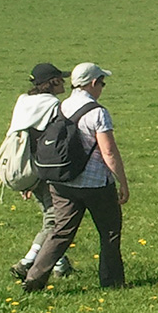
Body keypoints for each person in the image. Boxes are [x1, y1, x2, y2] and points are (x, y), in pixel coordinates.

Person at [23, 62, 129, 292]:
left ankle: (34, 278)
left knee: (60, 232)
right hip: (95, 184)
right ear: (92, 83)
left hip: (61, 180)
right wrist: (122, 181)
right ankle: (112, 282)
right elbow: (108, 151)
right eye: (102, 82)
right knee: (109, 232)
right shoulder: (98, 112)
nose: (102, 87)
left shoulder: (58, 107)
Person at [8, 63, 76, 281]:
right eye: (60, 79)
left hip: (22, 167)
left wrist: (25, 178)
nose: (64, 83)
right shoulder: (54, 106)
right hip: (45, 168)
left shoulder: (23, 102)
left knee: (52, 216)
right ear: (53, 81)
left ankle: (60, 264)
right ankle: (28, 262)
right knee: (55, 221)